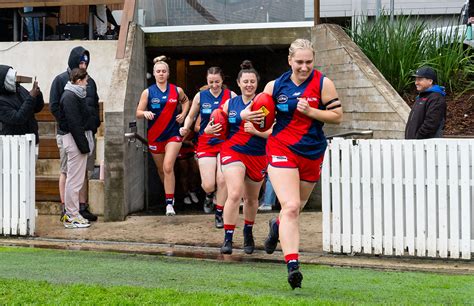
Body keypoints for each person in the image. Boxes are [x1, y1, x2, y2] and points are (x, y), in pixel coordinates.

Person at [261, 39, 343, 289]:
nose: (304, 67)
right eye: (299, 62)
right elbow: (259, 114)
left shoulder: (323, 83)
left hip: (312, 151)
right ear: (290, 61)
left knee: (294, 210)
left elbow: (337, 116)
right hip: (281, 148)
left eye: (308, 62)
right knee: (292, 206)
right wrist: (248, 115)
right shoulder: (275, 86)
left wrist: (311, 112)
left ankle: (276, 226)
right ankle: (292, 266)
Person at [205, 60, 270, 255]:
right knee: (234, 193)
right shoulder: (229, 103)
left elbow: (274, 131)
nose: (249, 85)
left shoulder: (264, 103)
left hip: (257, 154)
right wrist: (209, 130)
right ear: (239, 83)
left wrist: (257, 132)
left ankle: (248, 232)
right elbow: (216, 125)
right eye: (245, 81)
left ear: (257, 83)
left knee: (251, 199)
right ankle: (228, 237)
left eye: (252, 81)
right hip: (233, 151)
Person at [180, 67, 237, 228]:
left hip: (225, 143)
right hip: (206, 142)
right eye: (211, 82)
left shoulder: (230, 96)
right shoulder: (200, 96)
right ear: (207, 81)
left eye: (217, 82)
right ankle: (209, 195)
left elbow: (238, 115)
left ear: (222, 81)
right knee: (208, 184)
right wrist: (186, 127)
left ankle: (219, 213)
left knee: (222, 179)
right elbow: (191, 116)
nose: (214, 85)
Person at [50, 46, 100, 222]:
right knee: (67, 171)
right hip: (69, 134)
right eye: (80, 62)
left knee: (83, 172)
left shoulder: (90, 81)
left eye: (86, 62)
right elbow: (55, 107)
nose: (84, 65)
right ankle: (67, 208)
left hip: (86, 133)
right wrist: (69, 126)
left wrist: (93, 124)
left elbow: (93, 105)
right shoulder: (61, 81)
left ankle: (81, 206)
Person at [136, 56, 190, 216]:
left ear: (168, 73)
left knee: (168, 166)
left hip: (173, 134)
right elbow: (137, 112)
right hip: (155, 136)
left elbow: (186, 101)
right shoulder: (148, 92)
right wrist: (144, 112)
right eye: (158, 71)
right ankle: (171, 195)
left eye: (164, 71)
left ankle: (169, 204)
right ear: (154, 73)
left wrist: (183, 114)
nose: (161, 74)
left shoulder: (176, 90)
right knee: (162, 170)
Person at [58, 68, 93, 228]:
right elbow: (74, 123)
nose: (87, 83)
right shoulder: (70, 96)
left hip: (75, 139)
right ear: (79, 81)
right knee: (74, 180)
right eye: (85, 80)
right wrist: (84, 146)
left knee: (74, 179)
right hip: (74, 140)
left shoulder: (73, 94)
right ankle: (72, 215)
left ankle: (72, 214)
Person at [0, 65, 44, 148]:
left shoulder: (19, 89)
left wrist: (37, 94)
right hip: (14, 144)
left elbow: (36, 108)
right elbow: (18, 118)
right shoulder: (1, 101)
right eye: (11, 77)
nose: (14, 79)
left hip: (31, 140)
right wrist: (31, 97)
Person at [405, 66, 446, 139]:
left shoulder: (436, 98)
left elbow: (431, 124)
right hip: (414, 145)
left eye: (420, 80)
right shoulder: (421, 97)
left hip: (425, 146)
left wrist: (417, 138)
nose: (416, 83)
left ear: (430, 81)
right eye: (416, 80)